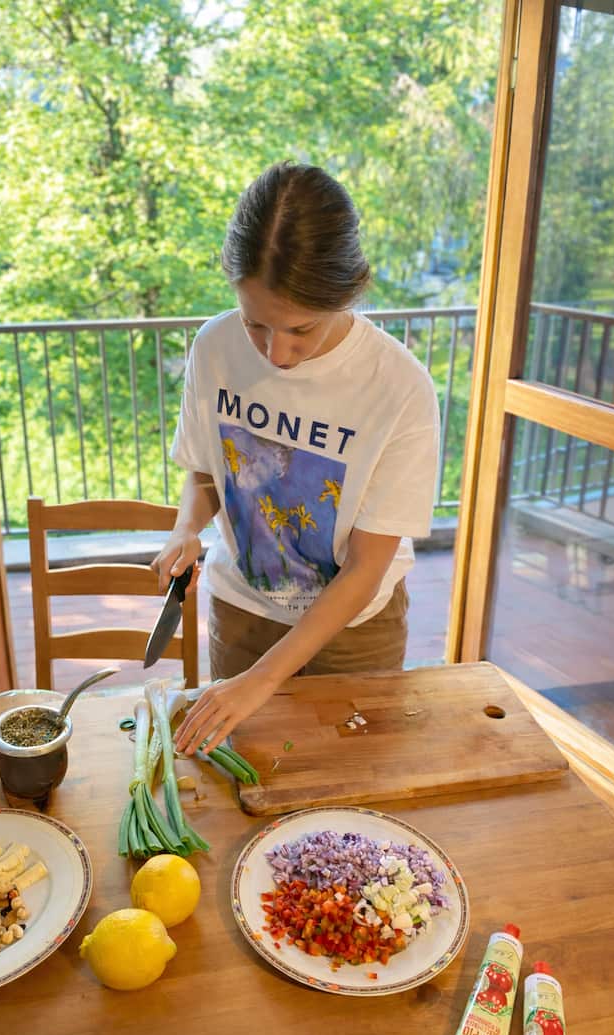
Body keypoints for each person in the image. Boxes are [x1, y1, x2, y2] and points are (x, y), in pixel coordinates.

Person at [152, 161, 440, 755]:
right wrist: (186, 527)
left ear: (349, 291)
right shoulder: (214, 347)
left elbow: (365, 568)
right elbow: (208, 467)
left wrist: (261, 681)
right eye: (255, 323)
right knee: (241, 777)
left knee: (353, 776)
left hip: (354, 628)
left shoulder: (400, 387)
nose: (276, 354)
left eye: (300, 330)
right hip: (244, 609)